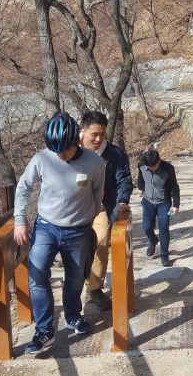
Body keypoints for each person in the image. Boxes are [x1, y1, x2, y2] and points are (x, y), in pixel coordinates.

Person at [13, 111, 106, 355]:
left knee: (75, 278)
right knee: (37, 274)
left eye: (64, 150)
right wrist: (20, 221)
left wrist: (90, 217)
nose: (60, 155)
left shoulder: (95, 163)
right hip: (46, 226)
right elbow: (23, 187)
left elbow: (98, 193)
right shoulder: (41, 159)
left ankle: (73, 316)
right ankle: (44, 330)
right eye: (55, 150)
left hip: (78, 229)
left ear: (76, 141)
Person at [80, 110, 133, 314]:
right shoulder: (71, 150)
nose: (98, 139)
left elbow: (124, 180)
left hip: (101, 207)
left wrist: (122, 200)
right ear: (83, 131)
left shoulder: (114, 154)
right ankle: (79, 286)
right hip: (74, 209)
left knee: (100, 242)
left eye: (102, 134)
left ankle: (93, 290)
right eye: (94, 134)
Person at [137, 148, 180, 267]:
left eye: (153, 166)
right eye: (149, 167)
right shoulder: (141, 165)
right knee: (146, 227)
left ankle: (164, 255)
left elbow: (174, 187)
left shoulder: (168, 169)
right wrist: (142, 188)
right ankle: (153, 240)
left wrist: (175, 204)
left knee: (163, 228)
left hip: (163, 203)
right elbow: (140, 178)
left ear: (158, 161)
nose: (150, 168)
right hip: (147, 201)